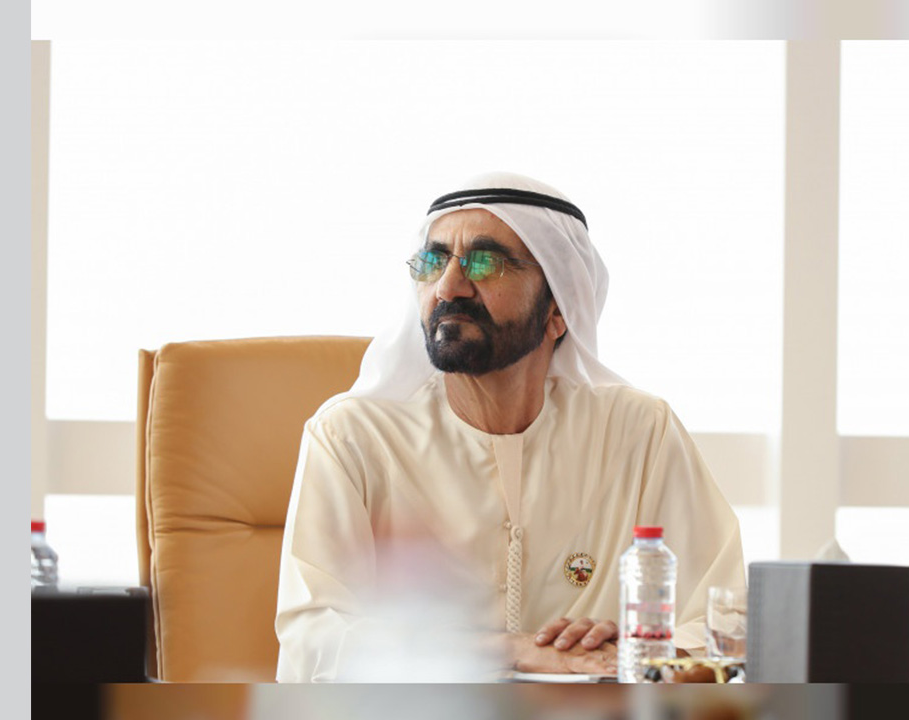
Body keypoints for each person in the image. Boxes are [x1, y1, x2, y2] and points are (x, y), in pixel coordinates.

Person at [275, 172, 745, 682]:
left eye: (485, 263)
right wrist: (509, 650)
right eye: (433, 262)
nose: (448, 287)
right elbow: (314, 639)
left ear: (558, 311)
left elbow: (728, 620)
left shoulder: (638, 431)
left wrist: (633, 655)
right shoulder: (354, 436)